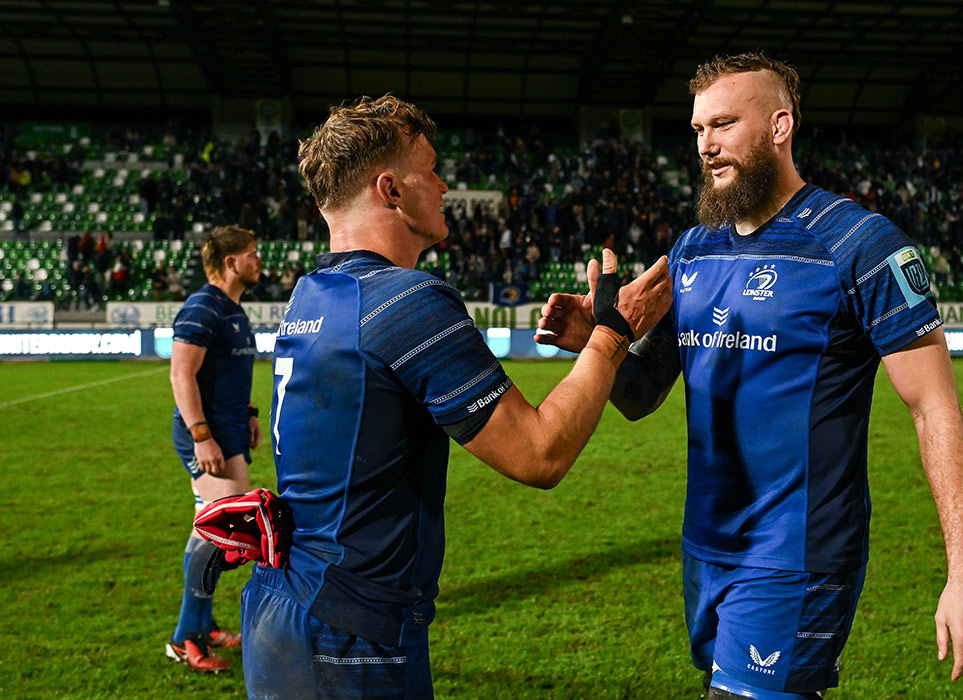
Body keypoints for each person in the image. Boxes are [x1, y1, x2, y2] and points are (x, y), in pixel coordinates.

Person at [537, 53, 963, 700]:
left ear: (780, 126)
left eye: (724, 124)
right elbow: (643, 396)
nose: (706, 146)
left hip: (797, 552)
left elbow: (935, 408)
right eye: (699, 129)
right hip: (704, 547)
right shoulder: (693, 249)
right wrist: (595, 343)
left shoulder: (862, 246)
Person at [240, 95, 672, 699]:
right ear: (391, 189)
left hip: (284, 602)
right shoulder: (406, 300)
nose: (445, 185)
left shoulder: (312, 293)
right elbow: (540, 453)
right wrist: (611, 333)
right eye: (432, 169)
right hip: (353, 632)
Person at [166, 225, 263, 673]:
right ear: (230, 262)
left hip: (227, 430)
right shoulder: (203, 306)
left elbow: (229, 374)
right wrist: (202, 435)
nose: (258, 260)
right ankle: (186, 637)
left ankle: (201, 624)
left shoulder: (231, 310)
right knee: (220, 532)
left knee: (209, 530)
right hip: (207, 436)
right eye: (251, 254)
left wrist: (249, 413)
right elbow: (181, 375)